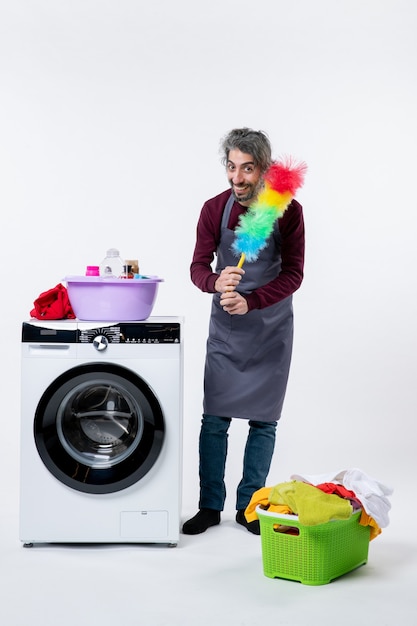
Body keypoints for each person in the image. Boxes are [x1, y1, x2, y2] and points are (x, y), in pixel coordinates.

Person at [182, 128, 305, 535]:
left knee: (263, 423)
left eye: (248, 169)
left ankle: (249, 506)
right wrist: (215, 282)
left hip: (270, 328)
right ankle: (209, 505)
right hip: (227, 329)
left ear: (264, 170)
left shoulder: (288, 212)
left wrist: (252, 301)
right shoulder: (212, 209)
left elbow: (293, 274)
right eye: (232, 167)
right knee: (214, 420)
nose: (237, 177)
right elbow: (198, 267)